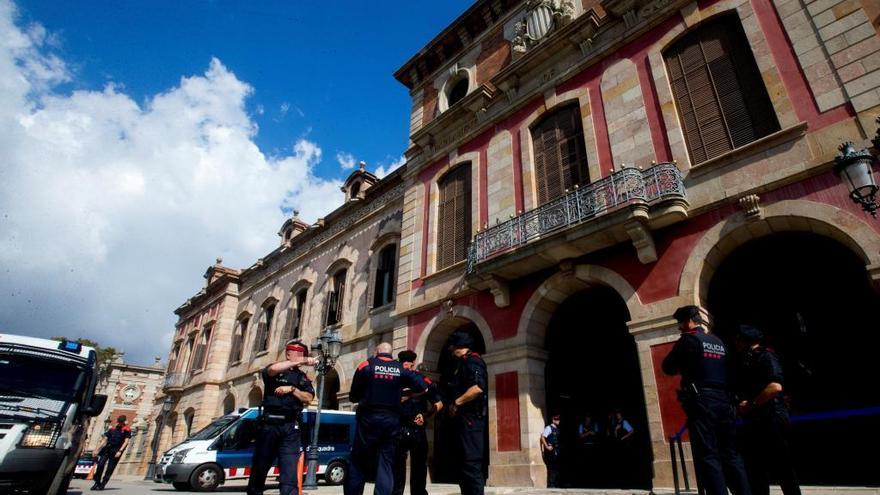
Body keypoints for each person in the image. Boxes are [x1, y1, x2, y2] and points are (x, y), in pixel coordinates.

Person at [662, 305, 751, 495]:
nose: (679, 327)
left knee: (708, 455)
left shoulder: (687, 340)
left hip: (702, 401)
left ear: (687, 321)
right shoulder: (718, 342)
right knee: (731, 454)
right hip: (724, 401)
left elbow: (668, 367)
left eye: (680, 323)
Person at [345, 343, 428, 495]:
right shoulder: (400, 368)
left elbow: (353, 396)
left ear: (377, 352)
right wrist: (405, 394)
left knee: (359, 460)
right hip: (392, 420)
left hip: (368, 419)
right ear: (391, 353)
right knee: (386, 462)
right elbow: (423, 387)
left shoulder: (366, 366)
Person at [734, 324, 801, 495]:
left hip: (772, 417)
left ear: (746, 341)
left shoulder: (766, 356)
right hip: (757, 420)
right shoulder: (748, 359)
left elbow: (775, 387)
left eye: (739, 340)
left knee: (783, 467)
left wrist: (751, 404)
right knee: (757, 469)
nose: (737, 343)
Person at [247, 339, 316, 495]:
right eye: (296, 352)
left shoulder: (302, 377)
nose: (299, 356)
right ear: (288, 353)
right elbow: (272, 369)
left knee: (289, 472)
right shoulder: (275, 370)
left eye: (302, 353)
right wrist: (304, 360)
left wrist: (292, 390)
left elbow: (308, 397)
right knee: (260, 468)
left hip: (291, 427)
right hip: (269, 425)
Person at [392, 350, 443, 495]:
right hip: (409, 429)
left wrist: (425, 416)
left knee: (402, 468)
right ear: (413, 363)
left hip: (405, 428)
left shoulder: (395, 379)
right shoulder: (422, 380)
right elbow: (439, 404)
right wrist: (426, 416)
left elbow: (439, 403)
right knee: (416, 468)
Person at [446, 331, 488, 495]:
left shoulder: (472, 362)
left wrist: (457, 402)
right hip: (464, 422)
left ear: (460, 347)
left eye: (453, 346)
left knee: (471, 465)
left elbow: (477, 388)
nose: (451, 349)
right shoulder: (461, 364)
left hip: (472, 421)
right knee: (463, 466)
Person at [90, 415, 131, 490]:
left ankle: (103, 484)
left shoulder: (126, 430)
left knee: (110, 468)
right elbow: (104, 440)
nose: (120, 424)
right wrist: (97, 450)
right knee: (100, 465)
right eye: (119, 422)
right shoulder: (112, 429)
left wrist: (120, 451)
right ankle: (97, 482)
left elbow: (126, 441)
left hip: (116, 451)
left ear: (124, 422)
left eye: (121, 422)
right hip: (107, 449)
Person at [540, 414, 562, 488]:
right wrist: (546, 447)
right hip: (551, 451)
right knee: (552, 467)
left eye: (559, 419)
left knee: (557, 466)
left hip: (557, 450)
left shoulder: (557, 428)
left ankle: (556, 483)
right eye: (557, 419)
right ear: (553, 420)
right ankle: (551, 484)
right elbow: (542, 437)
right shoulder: (549, 428)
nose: (558, 421)